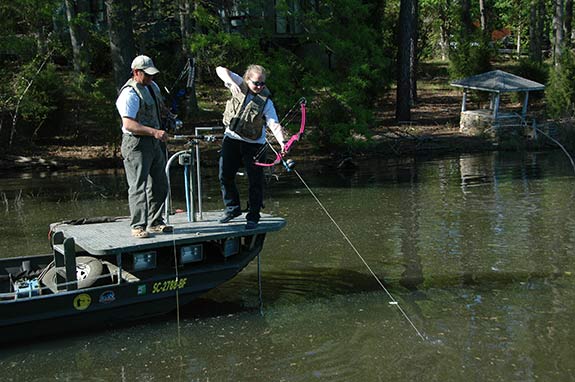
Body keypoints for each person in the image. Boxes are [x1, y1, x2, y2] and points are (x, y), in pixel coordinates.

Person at [216, 64, 287, 229]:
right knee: (224, 175)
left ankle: (253, 215)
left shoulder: (265, 101)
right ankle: (232, 208)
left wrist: (283, 143)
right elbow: (220, 69)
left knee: (255, 181)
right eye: (256, 83)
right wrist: (230, 82)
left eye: (262, 84)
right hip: (232, 139)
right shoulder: (239, 84)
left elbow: (274, 123)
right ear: (247, 80)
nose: (259, 87)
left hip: (254, 145)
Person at [116, 55, 173, 238]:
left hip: (154, 143)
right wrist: (154, 132)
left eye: (152, 74)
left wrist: (168, 114)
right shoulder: (129, 94)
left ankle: (155, 222)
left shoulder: (152, 86)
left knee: (160, 183)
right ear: (136, 72)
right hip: (136, 144)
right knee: (138, 186)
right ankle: (138, 226)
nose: (150, 78)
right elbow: (129, 124)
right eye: (146, 75)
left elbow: (158, 107)